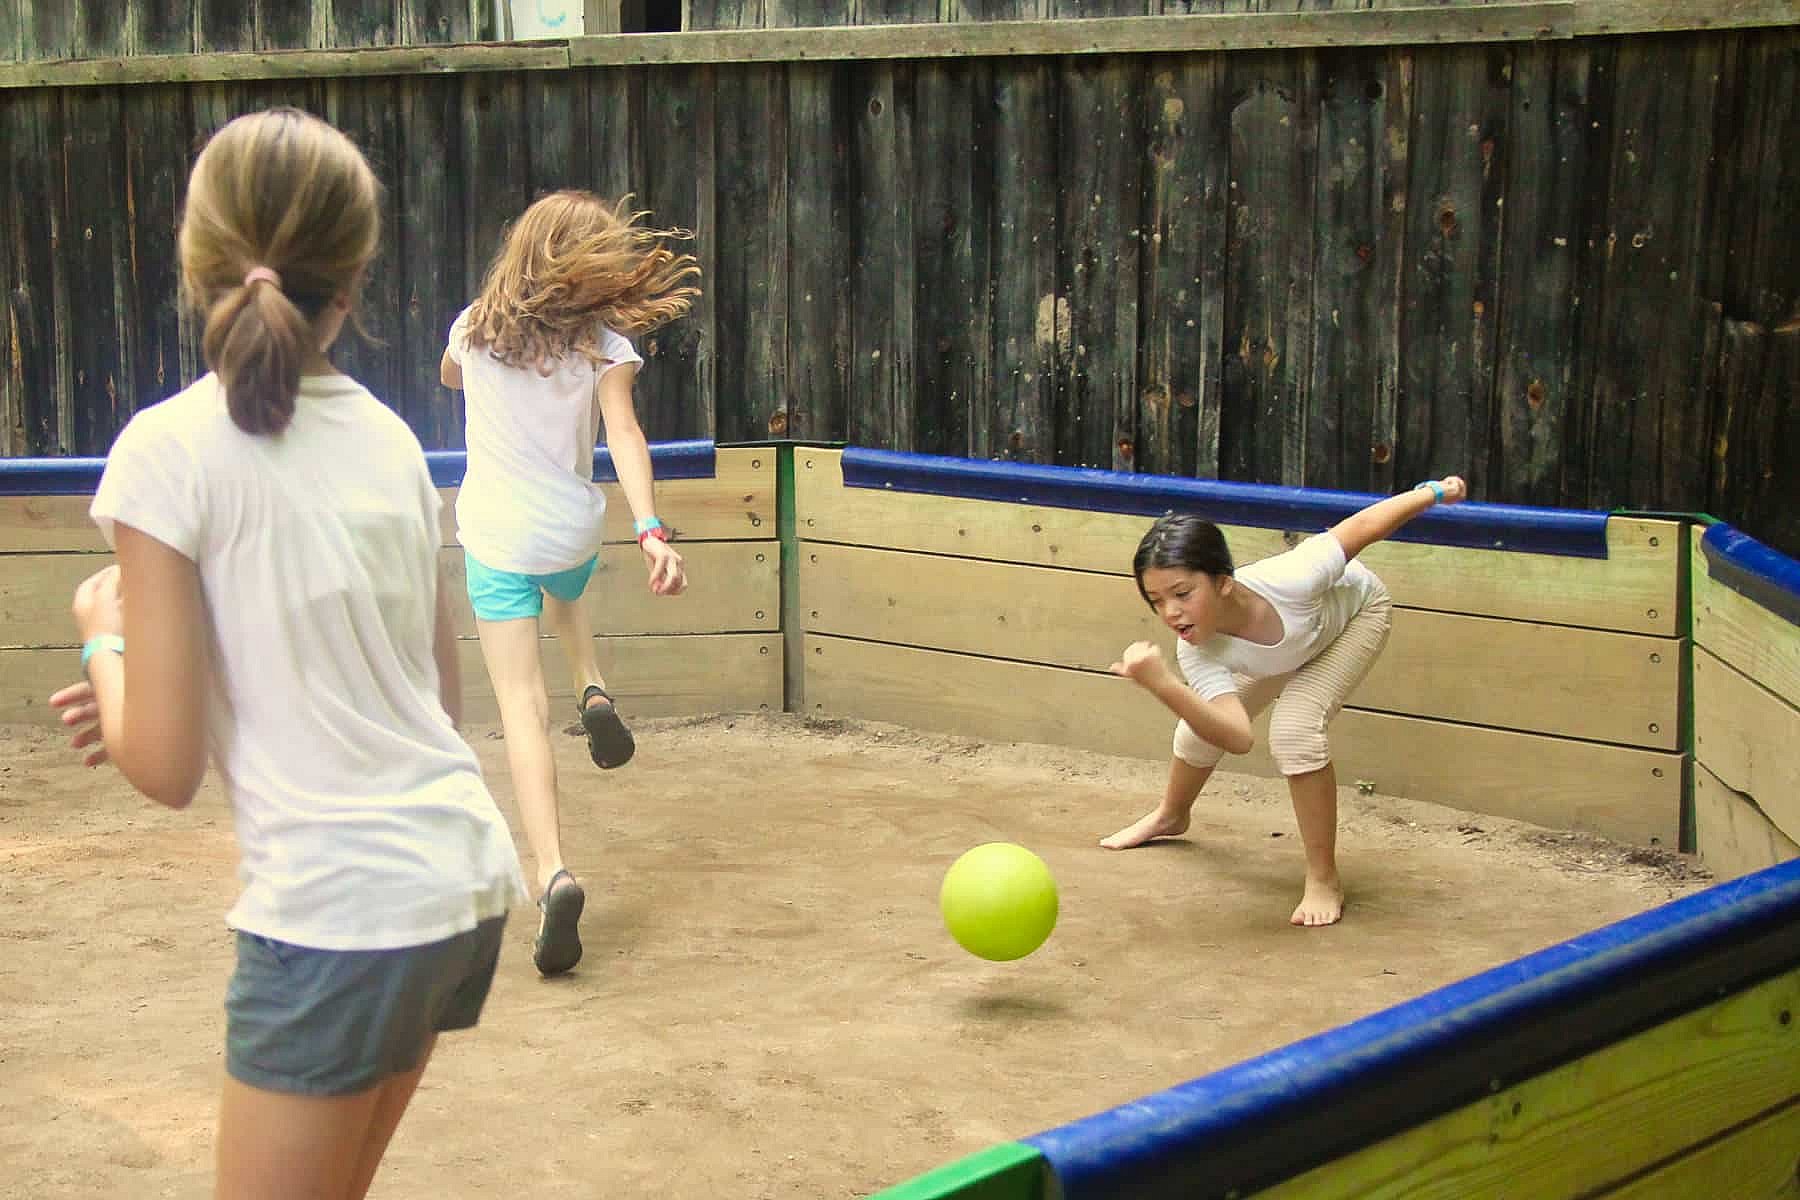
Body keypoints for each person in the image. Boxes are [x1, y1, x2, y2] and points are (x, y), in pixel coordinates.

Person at [47, 108, 525, 1200]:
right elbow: (428, 696)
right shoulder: (393, 438)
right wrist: (152, 672)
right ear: (352, 283)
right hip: (456, 885)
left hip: (335, 918)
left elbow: (161, 770)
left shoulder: (165, 452)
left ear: (194, 260)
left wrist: (107, 644)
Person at [439, 189, 700, 977]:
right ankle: (592, 687)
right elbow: (624, 432)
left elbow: (450, 378)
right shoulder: (603, 346)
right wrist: (650, 527)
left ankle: (552, 868)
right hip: (568, 531)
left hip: (493, 534)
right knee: (566, 591)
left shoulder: (473, 326)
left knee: (520, 705)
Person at [1103, 476, 1469, 927]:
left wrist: (1432, 493)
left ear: (1222, 582)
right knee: (1195, 728)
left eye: (1182, 593)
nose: (1170, 612)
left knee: (1295, 730)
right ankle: (1171, 815)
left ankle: (1323, 878)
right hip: (1285, 647)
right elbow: (1235, 736)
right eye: (1156, 600)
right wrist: (1163, 685)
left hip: (1354, 619)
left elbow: (1368, 525)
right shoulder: (1197, 648)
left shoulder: (1295, 577)